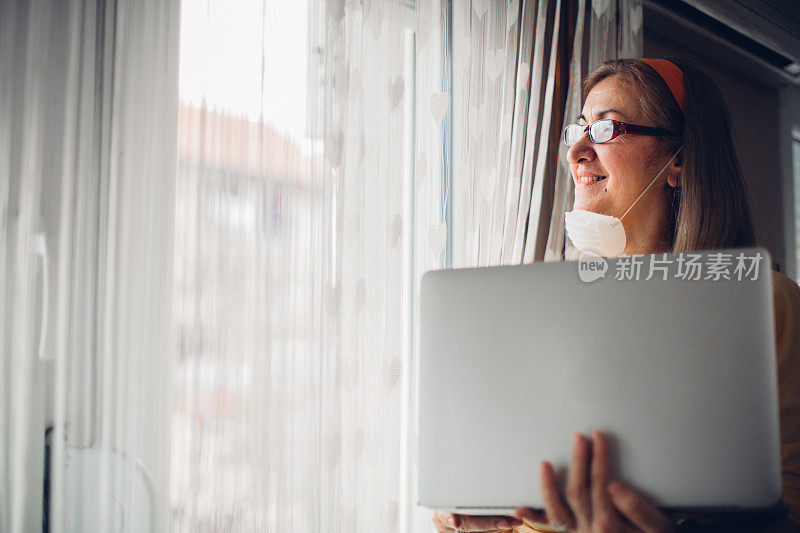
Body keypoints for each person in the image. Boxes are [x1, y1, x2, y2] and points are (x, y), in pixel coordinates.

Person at [431, 58, 800, 532]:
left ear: (680, 160)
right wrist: (475, 520)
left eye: (606, 128)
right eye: (579, 129)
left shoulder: (769, 304)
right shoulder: (546, 310)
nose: (578, 152)